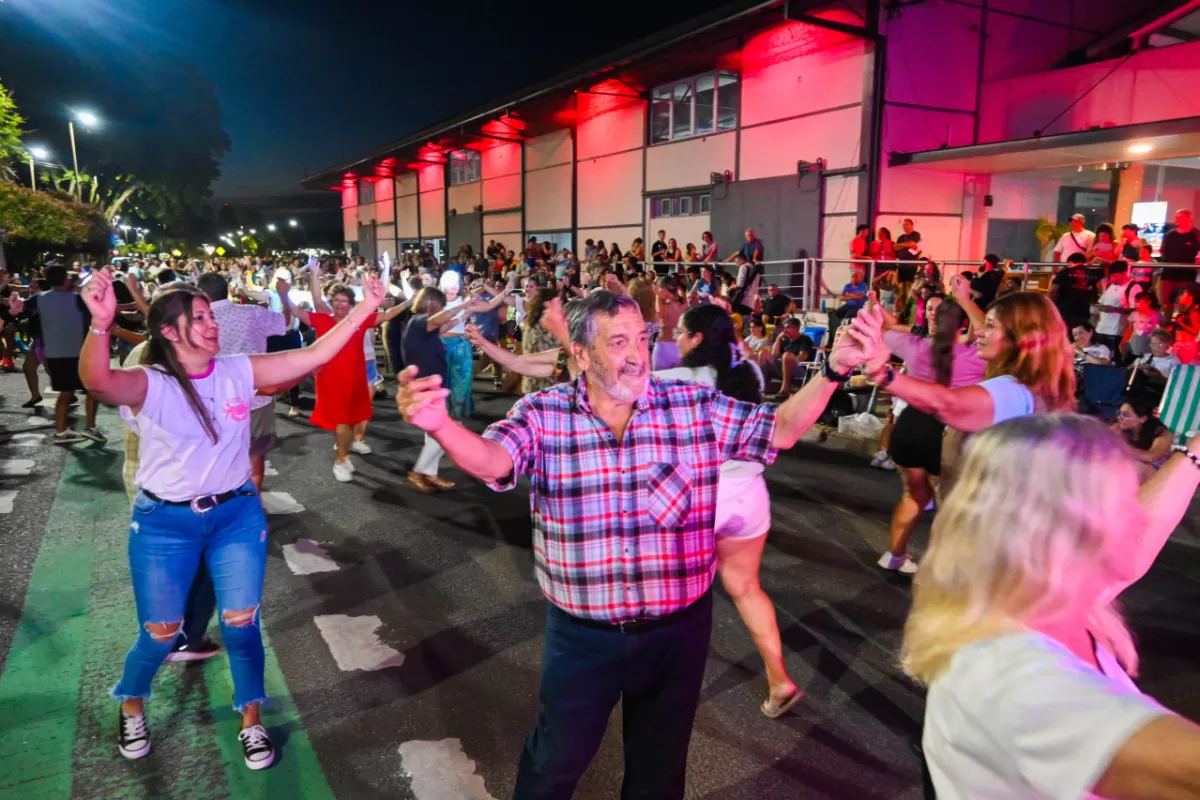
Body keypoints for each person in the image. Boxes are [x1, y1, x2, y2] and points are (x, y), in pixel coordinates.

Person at [396, 289, 871, 800]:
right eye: (617, 341)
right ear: (580, 353)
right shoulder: (544, 412)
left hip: (677, 631)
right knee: (557, 760)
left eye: (642, 339)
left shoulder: (690, 404)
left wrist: (835, 371)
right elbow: (495, 461)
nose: (637, 354)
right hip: (583, 636)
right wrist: (441, 427)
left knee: (659, 769)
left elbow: (776, 430)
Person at [79, 270, 391, 770]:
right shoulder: (150, 382)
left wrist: (363, 308)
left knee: (242, 625)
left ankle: (251, 721)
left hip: (236, 516)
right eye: (198, 318)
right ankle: (132, 702)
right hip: (164, 524)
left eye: (209, 315)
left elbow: (312, 356)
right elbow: (97, 382)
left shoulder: (236, 370)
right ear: (169, 332)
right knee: (161, 633)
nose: (211, 324)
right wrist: (100, 326)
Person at [903, 414, 1200, 800]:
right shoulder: (1007, 674)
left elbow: (1147, 533)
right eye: (1125, 499)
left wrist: (1194, 453)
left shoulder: (1039, 609)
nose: (1137, 514)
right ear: (1064, 525)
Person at [656, 304, 800, 716]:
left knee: (677, 596)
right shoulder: (750, 373)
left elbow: (616, 386)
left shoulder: (680, 381)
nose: (677, 339)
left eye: (682, 332)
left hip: (702, 495)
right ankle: (779, 679)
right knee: (746, 587)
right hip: (748, 493)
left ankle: (666, 689)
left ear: (698, 338)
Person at [850, 292, 1076, 488]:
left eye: (989, 327)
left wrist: (884, 375)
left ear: (1019, 337)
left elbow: (946, 402)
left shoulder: (1014, 391)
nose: (979, 332)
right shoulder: (1034, 386)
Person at [873, 296, 986, 574]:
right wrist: (966, 297)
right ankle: (937, 572)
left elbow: (884, 329)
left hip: (910, 425)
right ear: (963, 324)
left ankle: (895, 555)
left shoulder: (914, 345)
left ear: (932, 320)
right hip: (949, 431)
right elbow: (985, 332)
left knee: (913, 496)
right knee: (947, 504)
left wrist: (876, 306)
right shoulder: (976, 355)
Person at [284, 279, 410, 482]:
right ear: (331, 302)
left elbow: (386, 315)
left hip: (356, 377)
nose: (340, 304)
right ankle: (340, 460)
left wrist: (409, 301)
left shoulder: (358, 320)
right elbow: (297, 312)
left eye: (344, 300)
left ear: (352, 303)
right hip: (332, 379)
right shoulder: (323, 319)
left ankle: (345, 452)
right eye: (336, 300)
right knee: (343, 421)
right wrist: (284, 294)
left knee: (352, 419)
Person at [16, 265, 105, 444]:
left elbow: (19, 306)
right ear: (66, 279)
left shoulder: (38, 299)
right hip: (79, 352)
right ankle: (90, 427)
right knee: (92, 390)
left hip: (54, 353)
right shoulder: (77, 299)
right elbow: (100, 308)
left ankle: (61, 430)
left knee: (65, 392)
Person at [1112, 397, 1173, 482]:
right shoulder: (1119, 428)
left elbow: (1151, 457)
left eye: (1126, 415)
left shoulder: (1162, 433)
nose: (1120, 417)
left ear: (1143, 419)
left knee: (1135, 466)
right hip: (1138, 472)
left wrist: (1122, 448)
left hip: (1161, 476)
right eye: (1119, 413)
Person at [1158, 208, 1200, 313]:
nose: (1177, 220)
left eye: (1180, 218)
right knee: (1166, 303)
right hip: (1168, 273)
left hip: (1186, 275)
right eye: (1177, 218)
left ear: (1188, 219)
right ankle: (1167, 326)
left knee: (1183, 304)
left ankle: (1180, 326)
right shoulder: (1169, 235)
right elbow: (1162, 251)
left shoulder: (1196, 234)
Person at [762, 317, 814, 399]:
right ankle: (763, 387)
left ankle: (785, 390)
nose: (785, 330)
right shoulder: (785, 340)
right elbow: (774, 354)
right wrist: (778, 339)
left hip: (799, 369)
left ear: (796, 328)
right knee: (763, 354)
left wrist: (790, 360)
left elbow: (803, 355)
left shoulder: (804, 339)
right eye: (784, 327)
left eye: (788, 327)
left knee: (787, 355)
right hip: (784, 367)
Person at [1093, 260, 1137, 355]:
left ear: (1125, 273)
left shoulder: (1134, 287)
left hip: (1117, 332)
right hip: (1101, 329)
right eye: (1111, 276)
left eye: (1116, 276)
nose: (1113, 279)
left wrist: (1114, 309)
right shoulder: (1110, 285)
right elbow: (1101, 301)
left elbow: (1136, 310)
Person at [1049, 252, 1094, 330]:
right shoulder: (1091, 273)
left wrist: (1050, 305)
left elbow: (1053, 290)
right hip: (1084, 312)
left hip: (1065, 311)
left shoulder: (1064, 272)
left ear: (1069, 262)